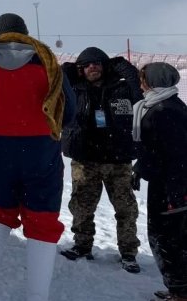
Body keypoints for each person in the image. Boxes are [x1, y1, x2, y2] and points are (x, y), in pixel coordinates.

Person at [0, 12, 75, 301]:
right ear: (25, 31)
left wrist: (1, 122)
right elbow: (68, 108)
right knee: (42, 216)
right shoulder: (47, 60)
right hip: (41, 146)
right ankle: (37, 300)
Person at [59, 47, 142, 272]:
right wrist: (69, 70)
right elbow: (55, 79)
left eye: (97, 63)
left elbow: (138, 88)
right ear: (80, 69)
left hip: (118, 159)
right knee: (81, 206)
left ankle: (128, 253)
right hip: (86, 159)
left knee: (126, 208)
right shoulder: (73, 89)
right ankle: (82, 246)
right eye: (86, 64)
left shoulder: (121, 88)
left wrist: (119, 64)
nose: (92, 67)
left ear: (105, 66)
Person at [132, 62, 187, 301]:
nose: (141, 85)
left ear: (154, 81)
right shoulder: (157, 105)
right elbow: (154, 150)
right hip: (162, 183)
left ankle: (182, 295)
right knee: (167, 238)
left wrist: (176, 193)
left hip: (170, 188)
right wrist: (139, 168)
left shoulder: (166, 110)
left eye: (144, 79)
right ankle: (178, 287)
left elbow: (178, 156)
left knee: (167, 240)